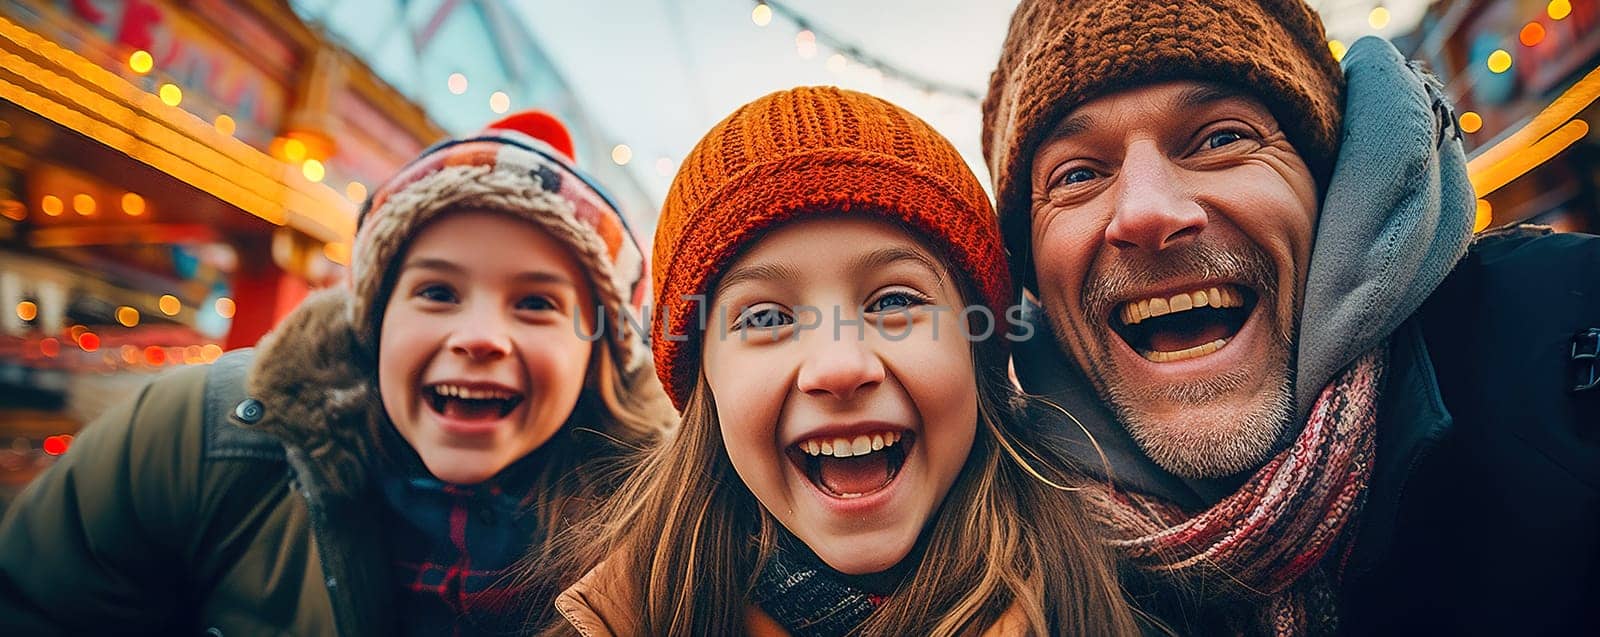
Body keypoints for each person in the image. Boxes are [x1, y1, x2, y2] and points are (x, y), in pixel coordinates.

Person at [982, 0, 1600, 634]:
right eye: (1077, 174)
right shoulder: (1001, 578)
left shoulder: (1572, 333)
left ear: (1328, 182)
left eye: (1223, 138)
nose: (1147, 212)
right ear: (1028, 264)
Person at [0, 111, 675, 635]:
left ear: (599, 354)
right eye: (436, 292)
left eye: (535, 303)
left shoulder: (674, 531)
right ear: (374, 323)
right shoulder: (201, 435)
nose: (478, 337)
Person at [545, 86, 1141, 636]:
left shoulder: (1115, 603)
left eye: (895, 302)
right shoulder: (622, 618)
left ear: (977, 354)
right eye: (765, 319)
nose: (838, 366)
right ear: (705, 381)